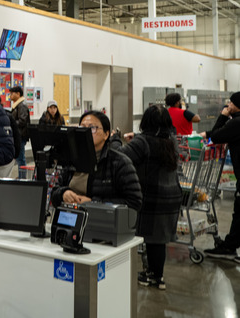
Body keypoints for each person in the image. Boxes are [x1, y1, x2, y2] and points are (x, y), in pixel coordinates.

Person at [110, 105, 180, 290]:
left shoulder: (143, 142)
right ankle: (156, 274)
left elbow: (120, 157)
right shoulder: (171, 140)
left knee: (151, 239)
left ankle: (156, 277)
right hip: (171, 195)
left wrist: (116, 140)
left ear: (145, 122)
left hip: (151, 197)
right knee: (158, 240)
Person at [50, 111, 142, 211]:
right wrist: (63, 193)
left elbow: (134, 202)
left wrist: (94, 203)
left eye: (92, 128)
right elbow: (54, 193)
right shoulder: (72, 159)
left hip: (101, 222)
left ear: (106, 134)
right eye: (82, 127)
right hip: (70, 219)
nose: (86, 131)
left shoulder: (119, 162)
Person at [201, 92, 240, 262]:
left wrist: (222, 116)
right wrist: (206, 133)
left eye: (230, 103)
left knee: (239, 211)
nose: (227, 105)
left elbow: (217, 136)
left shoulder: (236, 122)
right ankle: (230, 244)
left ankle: (229, 247)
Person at [0, 93, 21, 179]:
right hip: (3, 156)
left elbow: (16, 136)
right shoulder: (6, 115)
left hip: (5, 157)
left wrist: (15, 154)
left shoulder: (6, 116)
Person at [9, 86, 30, 166]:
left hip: (21, 135)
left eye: (12, 93)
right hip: (18, 135)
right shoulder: (16, 105)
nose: (10, 95)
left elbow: (22, 121)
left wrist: (12, 123)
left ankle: (23, 177)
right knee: (19, 158)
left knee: (20, 158)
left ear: (18, 94)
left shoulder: (22, 105)